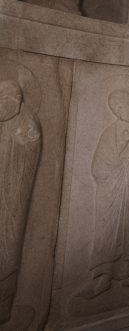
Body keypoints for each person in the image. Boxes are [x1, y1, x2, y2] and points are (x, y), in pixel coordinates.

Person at [77, 90, 129, 300]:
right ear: (120, 110)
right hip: (109, 192)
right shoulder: (109, 133)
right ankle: (103, 277)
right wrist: (116, 168)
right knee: (107, 232)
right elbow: (97, 166)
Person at [0, 81, 41, 324]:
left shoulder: (26, 122)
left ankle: (3, 307)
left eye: (15, 100)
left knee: (8, 252)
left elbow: (30, 148)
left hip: (10, 201)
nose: (11, 105)